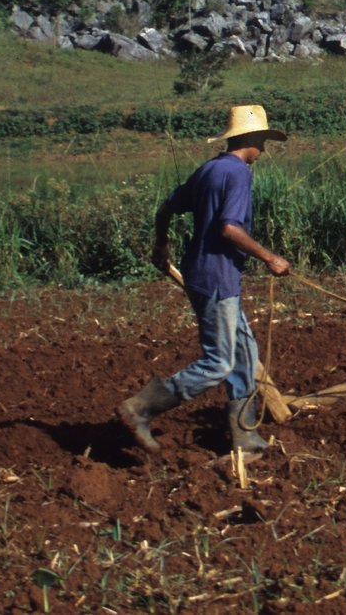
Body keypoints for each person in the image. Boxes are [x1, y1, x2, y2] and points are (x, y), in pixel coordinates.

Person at [119, 103, 295, 453]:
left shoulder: (209, 169)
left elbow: (166, 207)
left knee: (245, 352)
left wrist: (161, 245)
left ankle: (244, 435)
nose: (264, 148)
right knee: (219, 363)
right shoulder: (239, 173)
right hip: (217, 278)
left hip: (206, 273)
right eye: (263, 140)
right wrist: (270, 258)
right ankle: (140, 408)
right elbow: (230, 228)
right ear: (252, 138)